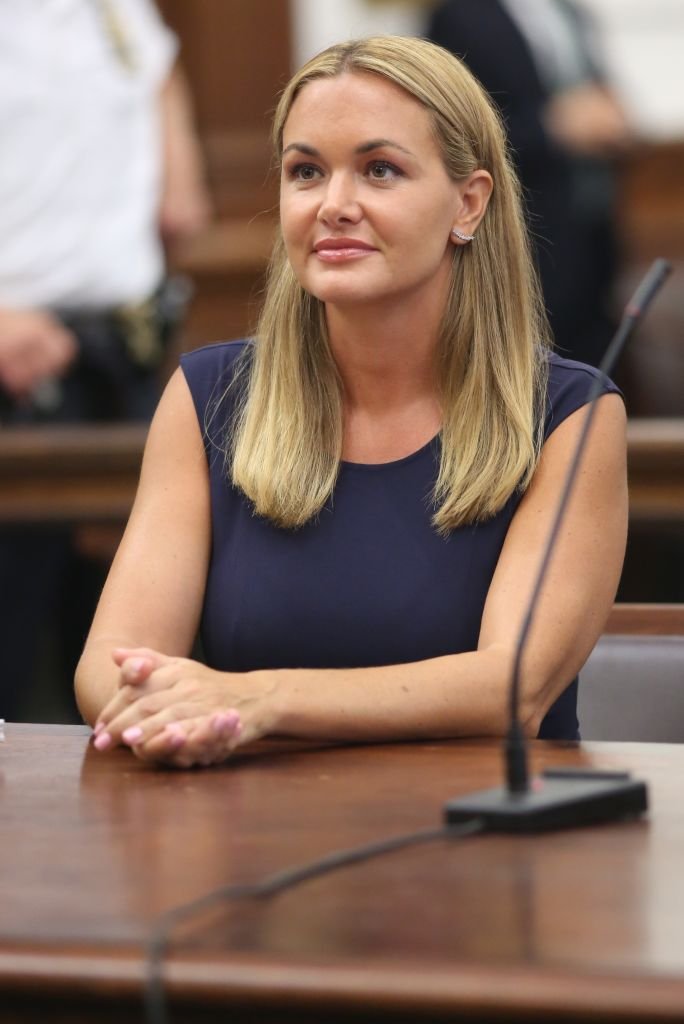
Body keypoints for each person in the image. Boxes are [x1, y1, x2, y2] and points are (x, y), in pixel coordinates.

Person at [77, 35, 627, 768]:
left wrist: (261, 701)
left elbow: (512, 688)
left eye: (380, 170)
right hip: (246, 849)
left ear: (470, 202)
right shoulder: (209, 397)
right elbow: (108, 667)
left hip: (482, 855)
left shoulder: (570, 415)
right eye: (306, 172)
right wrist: (163, 699)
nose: (334, 205)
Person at [0, 0, 210, 722]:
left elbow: (154, 77)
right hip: (15, 361)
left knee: (118, 642)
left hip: (123, 349)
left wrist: (177, 162)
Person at [426, 0, 632, 367]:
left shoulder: (571, 13)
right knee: (533, 366)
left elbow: (595, 93)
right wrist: (552, 128)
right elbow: (453, 132)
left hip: (591, 225)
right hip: (525, 229)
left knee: (591, 362)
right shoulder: (460, 17)